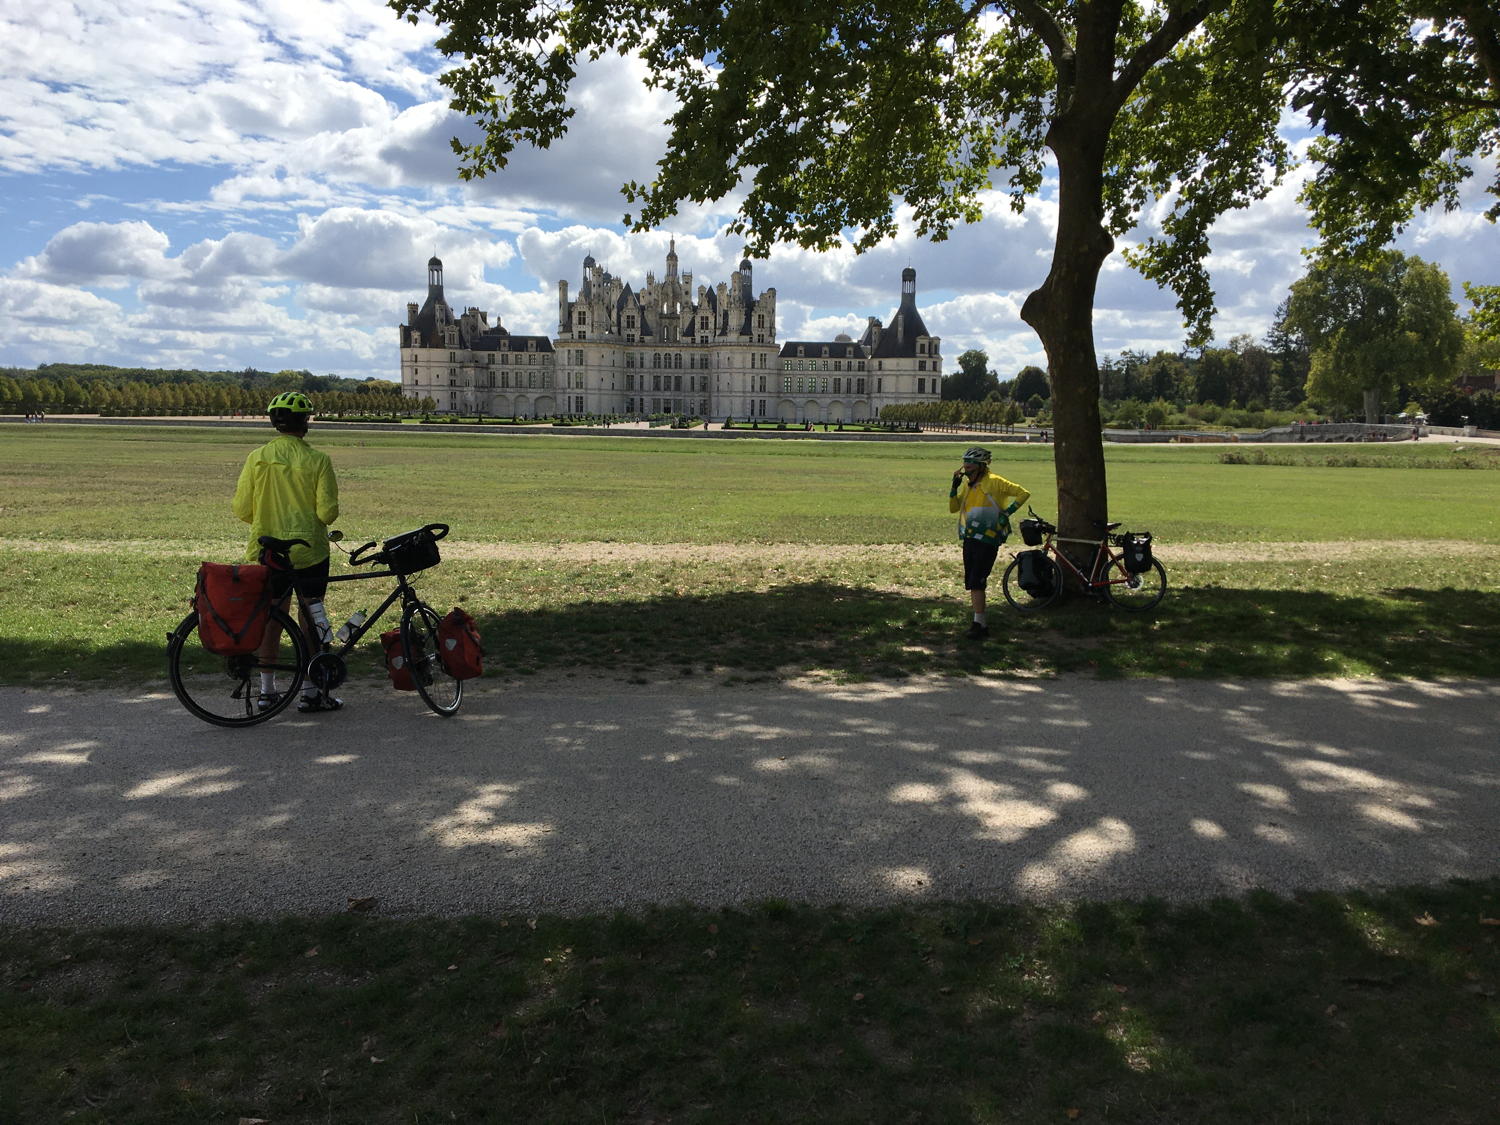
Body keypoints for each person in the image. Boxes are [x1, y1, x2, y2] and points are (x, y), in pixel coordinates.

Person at [232, 391, 342, 713]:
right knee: (310, 620)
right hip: (310, 552)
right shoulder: (318, 460)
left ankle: (267, 690)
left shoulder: (257, 458)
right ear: (305, 422)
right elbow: (327, 513)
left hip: (268, 551)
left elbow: (241, 508)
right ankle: (310, 690)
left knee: (272, 618)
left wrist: (269, 519)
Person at [948, 447, 1030, 640]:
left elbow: (1023, 493)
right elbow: (953, 508)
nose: (966, 467)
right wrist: (954, 488)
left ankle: (980, 624)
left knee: (977, 579)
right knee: (973, 581)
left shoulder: (994, 481)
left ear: (981, 466)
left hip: (988, 539)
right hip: (970, 537)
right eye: (965, 463)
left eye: (970, 464)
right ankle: (979, 622)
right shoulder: (969, 485)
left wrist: (1007, 512)